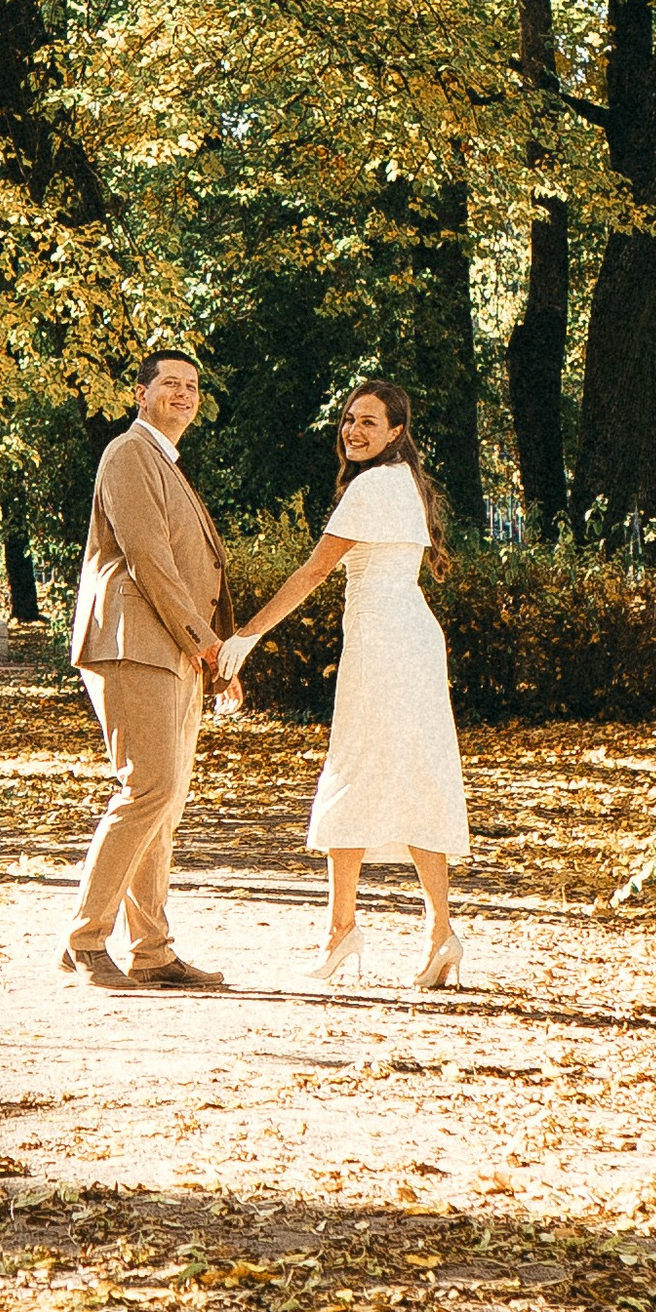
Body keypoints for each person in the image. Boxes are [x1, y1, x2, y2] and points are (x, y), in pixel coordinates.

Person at [218, 378, 468, 989]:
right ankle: (436, 931)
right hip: (402, 637)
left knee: (355, 768)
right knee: (406, 773)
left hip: (386, 642)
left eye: (369, 423)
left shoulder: (374, 486)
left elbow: (312, 573)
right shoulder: (400, 483)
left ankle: (346, 930)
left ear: (396, 434)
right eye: (350, 420)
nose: (354, 431)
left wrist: (244, 638)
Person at [62, 346, 235, 991]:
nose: (183, 393)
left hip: (172, 650)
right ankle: (85, 939)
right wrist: (205, 643)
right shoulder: (129, 453)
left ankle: (154, 952)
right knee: (149, 789)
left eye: (191, 385)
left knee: (164, 802)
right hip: (132, 641)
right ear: (142, 394)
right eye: (170, 383)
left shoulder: (169, 462)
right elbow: (148, 560)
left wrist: (211, 655)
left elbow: (193, 569)